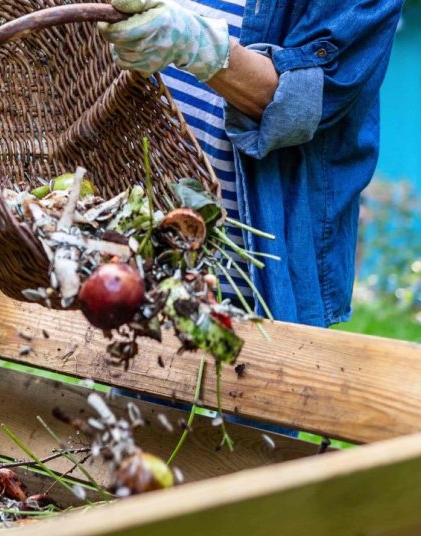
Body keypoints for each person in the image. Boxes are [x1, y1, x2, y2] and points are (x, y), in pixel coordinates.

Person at [98, 0, 404, 328]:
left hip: (248, 280)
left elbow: (310, 99)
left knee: (239, 354)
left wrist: (195, 44)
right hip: (132, 250)